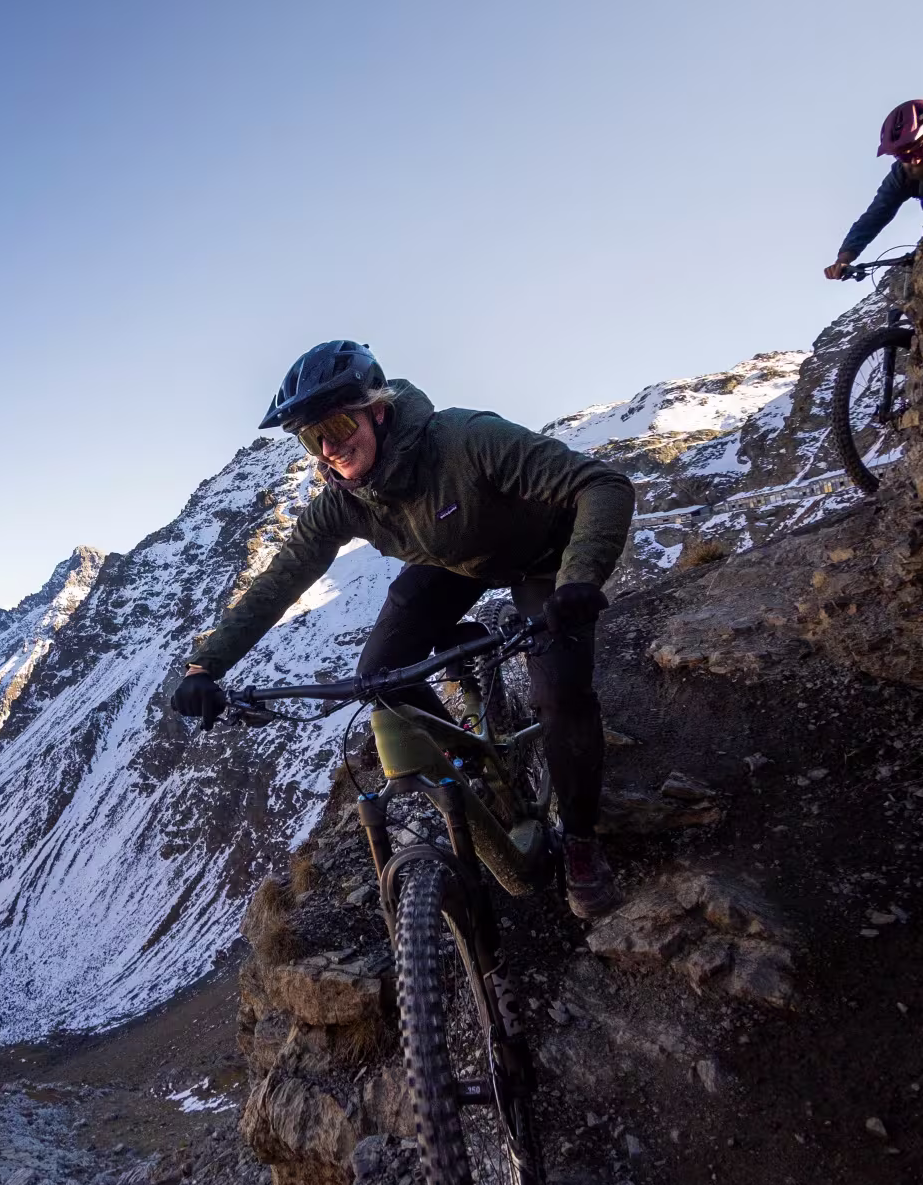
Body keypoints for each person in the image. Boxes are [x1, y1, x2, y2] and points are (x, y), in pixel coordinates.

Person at [171, 340, 635, 921]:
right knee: (379, 681)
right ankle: (471, 756)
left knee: (561, 693)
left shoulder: (465, 440)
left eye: (339, 424)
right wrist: (205, 665)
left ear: (379, 410)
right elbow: (280, 580)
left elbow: (602, 485)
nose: (330, 446)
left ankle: (584, 845)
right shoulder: (344, 499)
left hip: (544, 556)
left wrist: (578, 578)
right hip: (453, 560)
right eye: (313, 437)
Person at [824, 97, 923, 279]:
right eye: (902, 156)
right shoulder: (903, 175)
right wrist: (844, 258)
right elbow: (875, 215)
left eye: (920, 149)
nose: (914, 161)